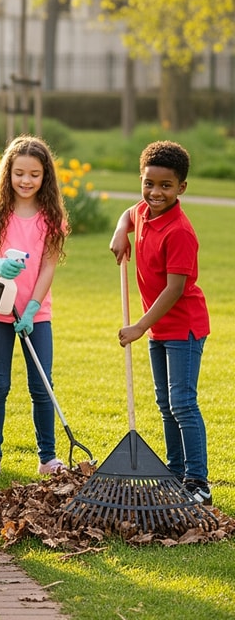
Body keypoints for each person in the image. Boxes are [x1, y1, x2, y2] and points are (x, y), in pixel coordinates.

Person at [109, 140, 211, 505]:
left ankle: (198, 482)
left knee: (183, 402)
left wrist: (138, 326)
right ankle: (174, 471)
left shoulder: (179, 231)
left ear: (181, 188)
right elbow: (129, 213)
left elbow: (174, 289)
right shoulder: (144, 213)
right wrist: (121, 230)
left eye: (165, 186)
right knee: (164, 403)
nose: (155, 192)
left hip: (182, 326)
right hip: (159, 328)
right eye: (148, 183)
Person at [0, 135, 69, 479]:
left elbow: (49, 266)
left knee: (42, 385)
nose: (26, 181)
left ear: (45, 177)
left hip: (35, 315)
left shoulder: (51, 217)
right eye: (19, 173)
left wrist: (33, 307)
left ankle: (48, 458)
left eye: (34, 174)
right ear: (8, 173)